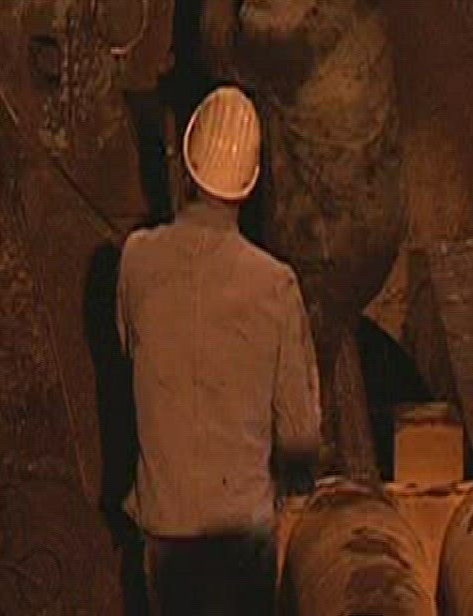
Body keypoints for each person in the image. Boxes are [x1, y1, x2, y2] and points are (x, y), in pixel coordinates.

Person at [118, 84, 322, 615]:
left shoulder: (135, 261)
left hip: (165, 529)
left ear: (186, 167)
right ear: (249, 185)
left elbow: (127, 352)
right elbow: (299, 434)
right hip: (241, 540)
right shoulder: (275, 285)